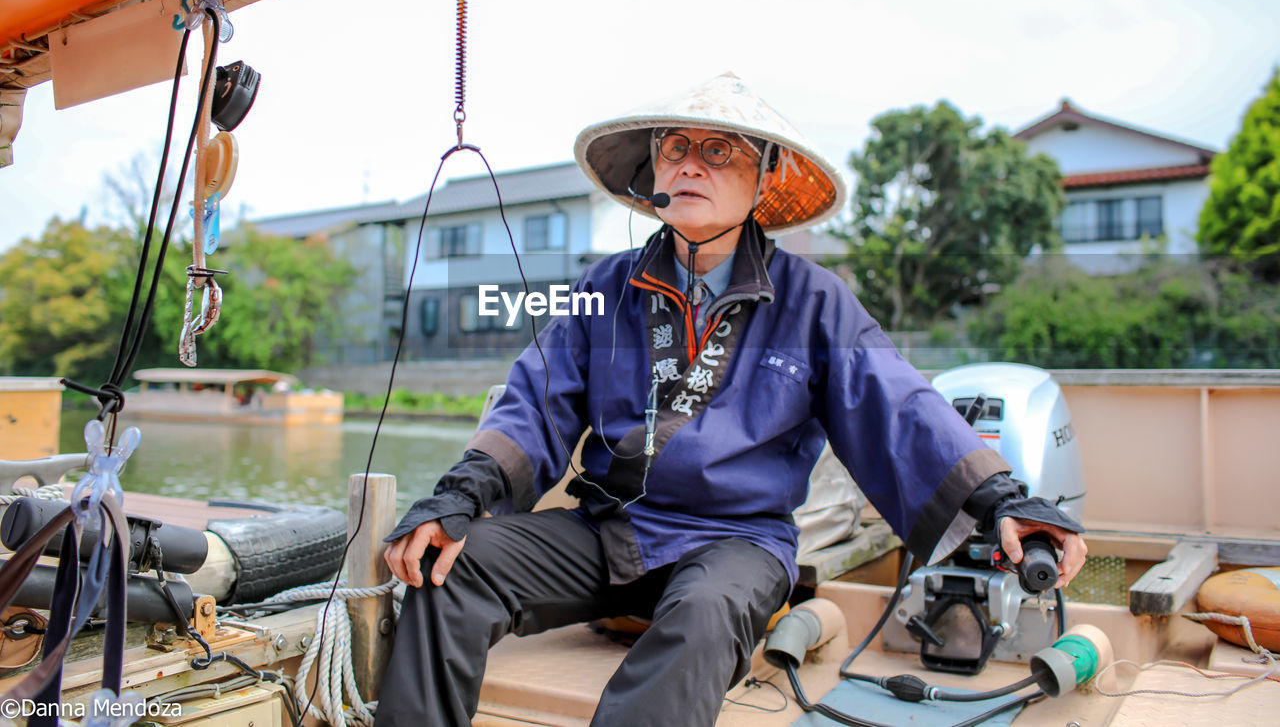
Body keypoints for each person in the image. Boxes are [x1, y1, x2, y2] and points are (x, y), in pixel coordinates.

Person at [375, 74, 1087, 726]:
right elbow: (535, 400)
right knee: (450, 567)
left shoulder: (815, 300)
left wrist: (1000, 499)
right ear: (653, 173)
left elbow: (895, 402)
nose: (690, 164)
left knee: (706, 612)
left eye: (718, 151)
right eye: (676, 148)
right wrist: (462, 492)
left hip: (736, 541)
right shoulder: (605, 285)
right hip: (611, 527)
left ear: (764, 178)